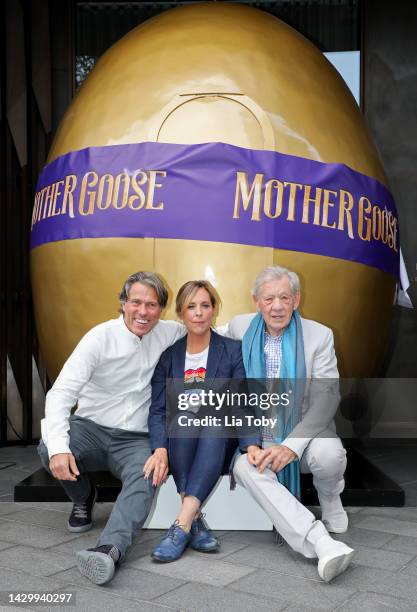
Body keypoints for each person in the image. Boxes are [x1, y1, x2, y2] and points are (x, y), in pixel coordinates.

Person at [37, 271, 184, 585]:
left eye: (152, 305)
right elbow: (61, 393)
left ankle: (110, 549)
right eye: (136, 303)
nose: (143, 312)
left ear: (162, 309)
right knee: (48, 446)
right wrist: (60, 449)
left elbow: (212, 329)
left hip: (136, 436)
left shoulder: (171, 333)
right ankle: (83, 495)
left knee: (148, 473)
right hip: (91, 428)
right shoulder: (98, 338)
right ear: (123, 303)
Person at [228, 265, 354, 582]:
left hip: (305, 428)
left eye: (285, 297)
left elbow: (327, 398)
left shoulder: (319, 335)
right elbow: (198, 334)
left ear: (296, 299)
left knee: (329, 455)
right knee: (245, 467)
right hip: (258, 432)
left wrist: (291, 447)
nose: (278, 306)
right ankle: (319, 540)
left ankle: (329, 496)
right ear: (256, 301)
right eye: (269, 298)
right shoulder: (239, 327)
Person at [148, 280, 260, 562]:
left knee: (213, 422)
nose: (198, 313)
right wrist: (159, 448)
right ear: (181, 313)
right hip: (181, 444)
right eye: (191, 307)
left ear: (214, 309)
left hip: (219, 441)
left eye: (205, 305)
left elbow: (239, 403)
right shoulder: (168, 358)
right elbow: (159, 410)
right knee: (184, 418)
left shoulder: (233, 350)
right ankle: (192, 520)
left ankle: (179, 525)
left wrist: (251, 444)